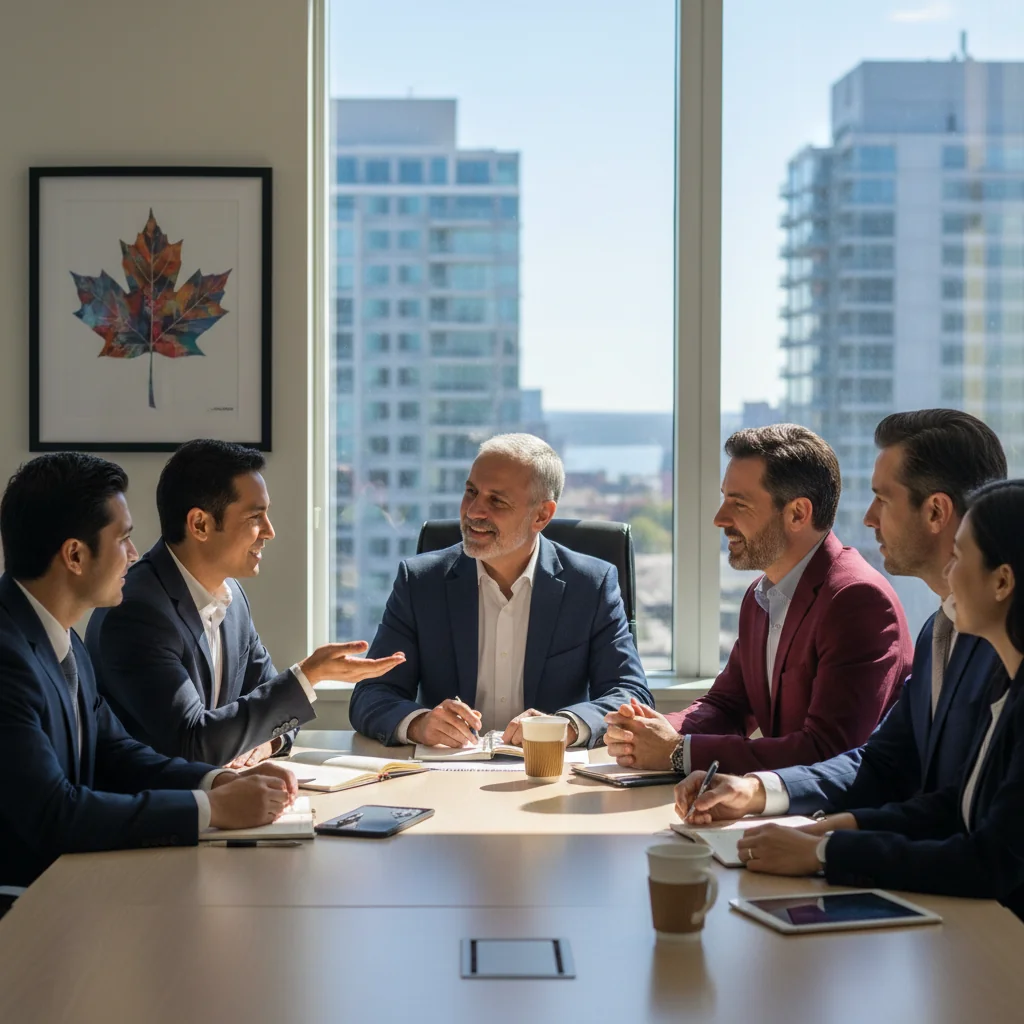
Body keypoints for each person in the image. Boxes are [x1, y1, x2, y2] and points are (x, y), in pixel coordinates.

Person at [0, 454, 298, 920]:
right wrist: (210, 809)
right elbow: (53, 814)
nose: (136, 554)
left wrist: (217, 780)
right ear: (75, 555)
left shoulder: (65, 643)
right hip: (24, 909)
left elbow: (118, 754)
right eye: (122, 539)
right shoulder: (7, 656)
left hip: (71, 889)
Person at [674, 410, 1006, 825]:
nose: (868, 518)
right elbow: (880, 763)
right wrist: (757, 792)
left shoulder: (999, 649)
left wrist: (830, 849)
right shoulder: (939, 630)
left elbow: (971, 830)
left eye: (882, 499)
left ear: (936, 512)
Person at [730, 479, 1024, 922]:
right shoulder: (1004, 681)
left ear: (1002, 581)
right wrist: (837, 827)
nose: (949, 572)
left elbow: (990, 860)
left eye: (960, 557)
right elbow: (954, 806)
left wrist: (825, 853)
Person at [605, 424, 912, 774]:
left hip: (834, 822)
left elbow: (829, 751)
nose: (720, 519)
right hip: (782, 812)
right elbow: (728, 706)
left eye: (739, 503)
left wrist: (678, 751)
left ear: (797, 513)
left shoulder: (857, 600)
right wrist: (652, 731)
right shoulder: (761, 595)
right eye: (724, 498)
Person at [87, 440, 405, 767]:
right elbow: (192, 743)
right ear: (200, 524)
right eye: (256, 517)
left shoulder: (232, 598)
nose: (270, 531)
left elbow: (275, 708)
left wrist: (267, 744)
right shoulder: (136, 612)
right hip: (159, 809)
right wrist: (308, 675)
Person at [349, 433, 652, 748]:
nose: (474, 511)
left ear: (542, 515)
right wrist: (418, 723)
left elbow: (630, 695)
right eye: (471, 492)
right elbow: (371, 694)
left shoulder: (591, 585)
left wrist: (564, 725)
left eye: (496, 500)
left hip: (549, 776)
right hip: (445, 776)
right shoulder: (420, 582)